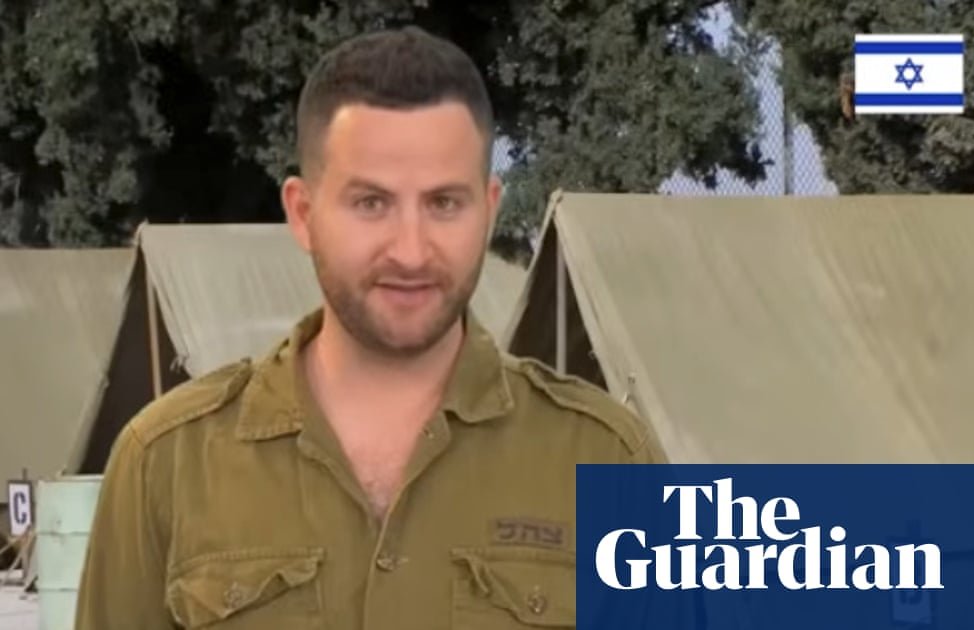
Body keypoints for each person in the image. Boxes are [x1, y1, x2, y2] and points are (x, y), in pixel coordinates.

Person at [74, 26, 667, 630]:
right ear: (303, 213)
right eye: (371, 203)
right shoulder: (164, 464)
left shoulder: (612, 458)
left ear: (489, 211)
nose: (410, 251)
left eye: (444, 203)